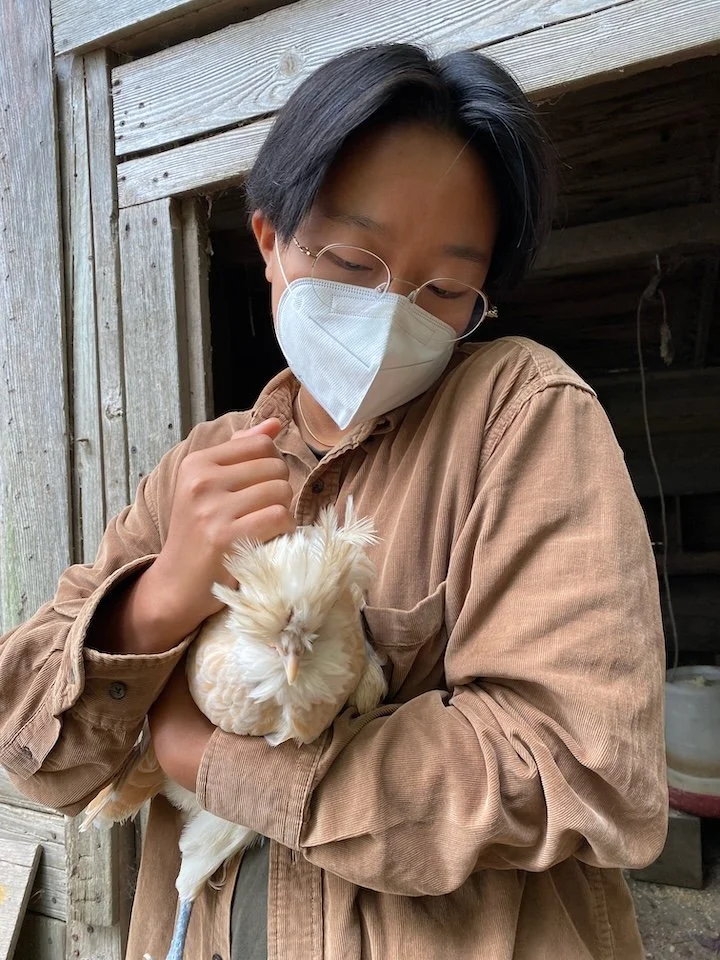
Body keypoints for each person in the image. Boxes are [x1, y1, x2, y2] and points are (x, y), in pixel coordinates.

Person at [0, 43, 667, 960]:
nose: (393, 312)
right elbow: (34, 746)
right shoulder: (201, 465)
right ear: (269, 242)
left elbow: (586, 770)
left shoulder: (520, 416)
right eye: (353, 261)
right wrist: (157, 600)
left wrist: (204, 757)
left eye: (446, 288)